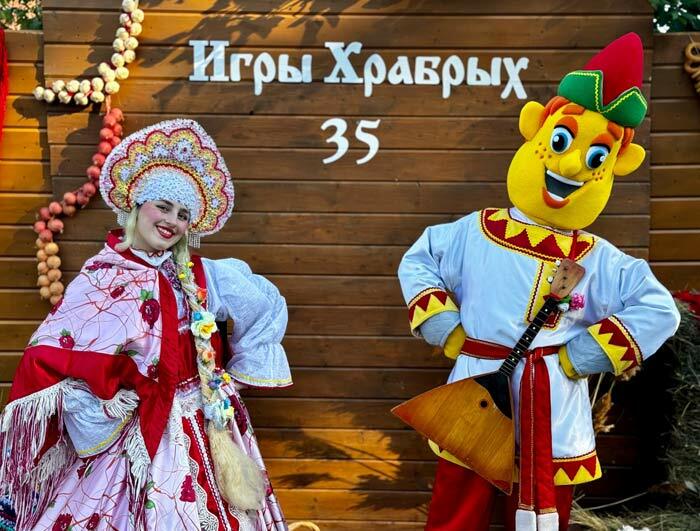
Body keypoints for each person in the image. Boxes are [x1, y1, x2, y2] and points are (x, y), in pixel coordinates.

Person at [397, 33, 680, 531]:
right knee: (457, 510)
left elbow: (659, 309)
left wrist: (582, 356)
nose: (571, 166)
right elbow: (419, 260)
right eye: (562, 141)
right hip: (476, 388)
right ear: (537, 133)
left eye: (596, 157)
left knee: (540, 510)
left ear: (613, 168)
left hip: (552, 405)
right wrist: (447, 327)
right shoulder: (477, 231)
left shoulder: (602, 260)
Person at [0, 119, 291, 530]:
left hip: (205, 418)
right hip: (133, 429)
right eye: (164, 206)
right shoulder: (100, 277)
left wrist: (231, 381)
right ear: (137, 206)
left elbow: (265, 306)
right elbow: (52, 355)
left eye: (183, 214)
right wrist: (102, 403)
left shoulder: (205, 274)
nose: (172, 220)